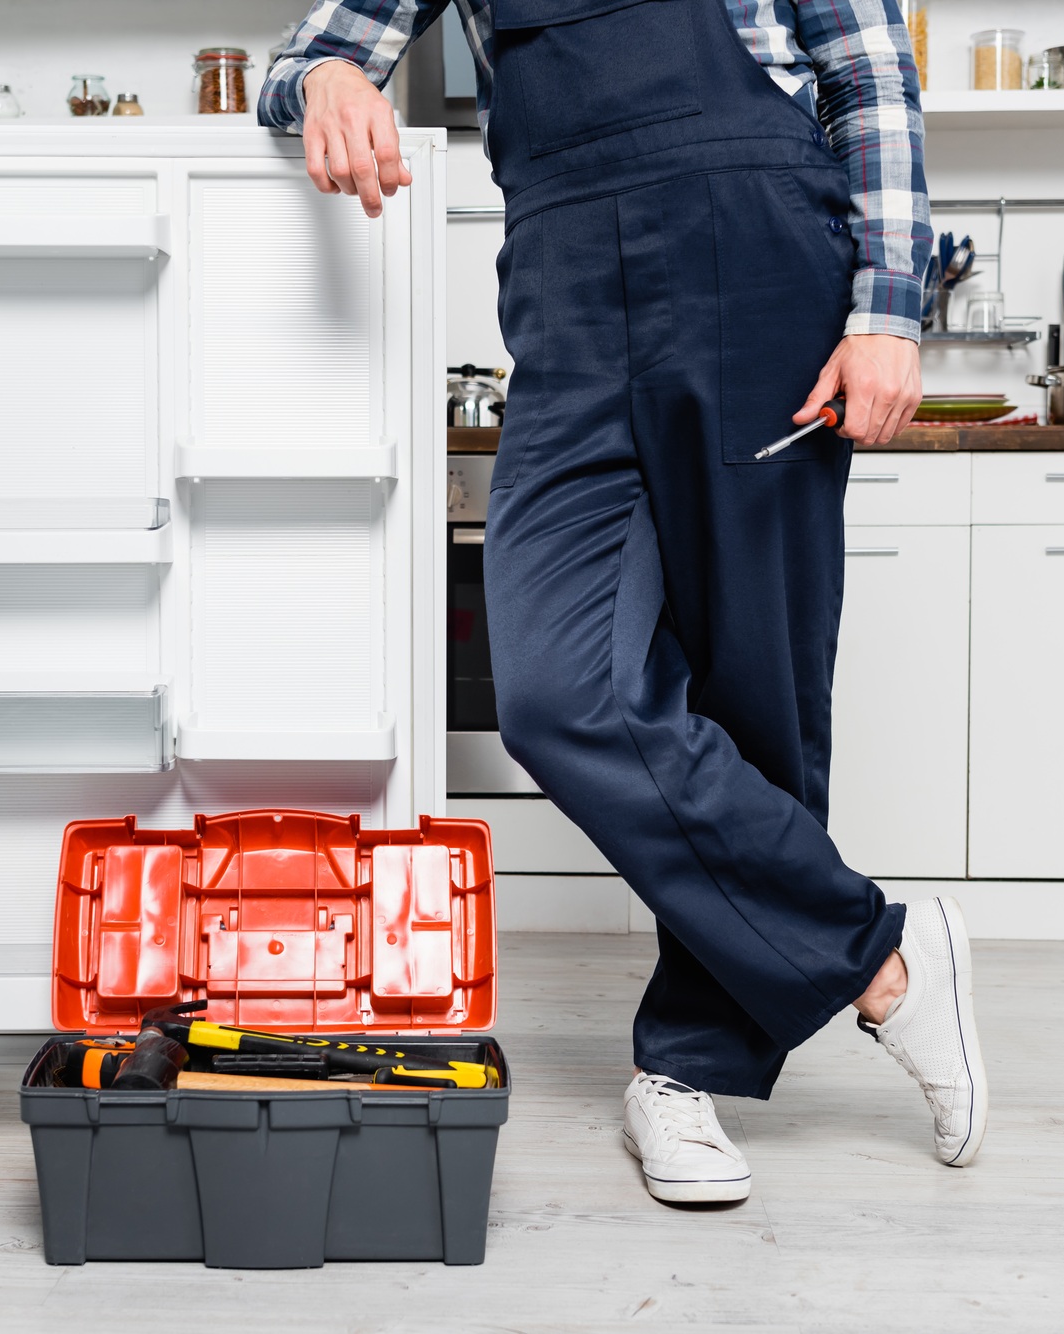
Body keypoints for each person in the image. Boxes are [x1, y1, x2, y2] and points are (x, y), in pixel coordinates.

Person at [259, 0, 985, 1202]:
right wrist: (328, 77)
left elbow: (864, 70)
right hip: (566, 300)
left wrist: (886, 307)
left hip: (758, 260)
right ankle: (884, 961)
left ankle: (684, 1074)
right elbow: (301, 58)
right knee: (553, 692)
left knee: (756, 688)